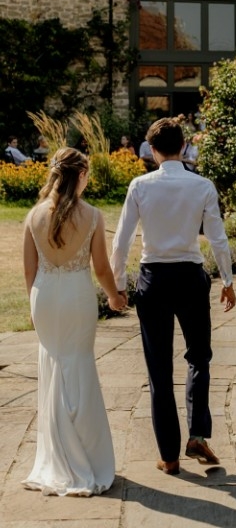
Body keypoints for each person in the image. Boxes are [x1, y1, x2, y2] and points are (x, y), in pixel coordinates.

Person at [111, 117, 236, 476]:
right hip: (191, 278)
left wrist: (118, 285)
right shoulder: (202, 186)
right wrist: (227, 279)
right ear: (183, 147)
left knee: (159, 371)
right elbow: (217, 238)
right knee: (199, 357)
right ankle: (197, 434)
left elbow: (121, 241)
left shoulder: (140, 185)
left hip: (154, 280)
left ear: (152, 151)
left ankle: (169, 457)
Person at [22, 147, 126, 496]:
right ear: (80, 175)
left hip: (45, 297)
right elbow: (100, 267)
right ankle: (88, 459)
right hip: (77, 297)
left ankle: (57, 458)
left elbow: (29, 271)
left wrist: (36, 305)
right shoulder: (93, 216)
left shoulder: (34, 216)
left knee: (53, 366)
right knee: (79, 365)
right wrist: (114, 296)